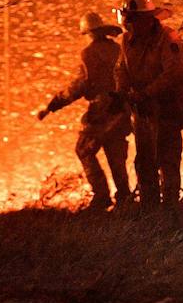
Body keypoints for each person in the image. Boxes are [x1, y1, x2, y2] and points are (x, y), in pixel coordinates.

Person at [36, 12, 133, 212]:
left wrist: (52, 105)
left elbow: (81, 84)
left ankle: (101, 196)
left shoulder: (89, 53)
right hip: (121, 110)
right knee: (116, 157)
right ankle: (125, 200)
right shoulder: (118, 49)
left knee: (84, 149)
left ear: (88, 33)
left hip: (101, 113)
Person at [115, 0, 183, 212]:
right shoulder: (127, 41)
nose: (129, 24)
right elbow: (121, 69)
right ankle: (150, 213)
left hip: (167, 111)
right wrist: (121, 92)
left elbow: (173, 73)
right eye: (128, 18)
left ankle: (169, 214)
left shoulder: (168, 39)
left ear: (147, 18)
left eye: (133, 19)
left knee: (168, 162)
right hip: (143, 113)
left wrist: (146, 93)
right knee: (145, 163)